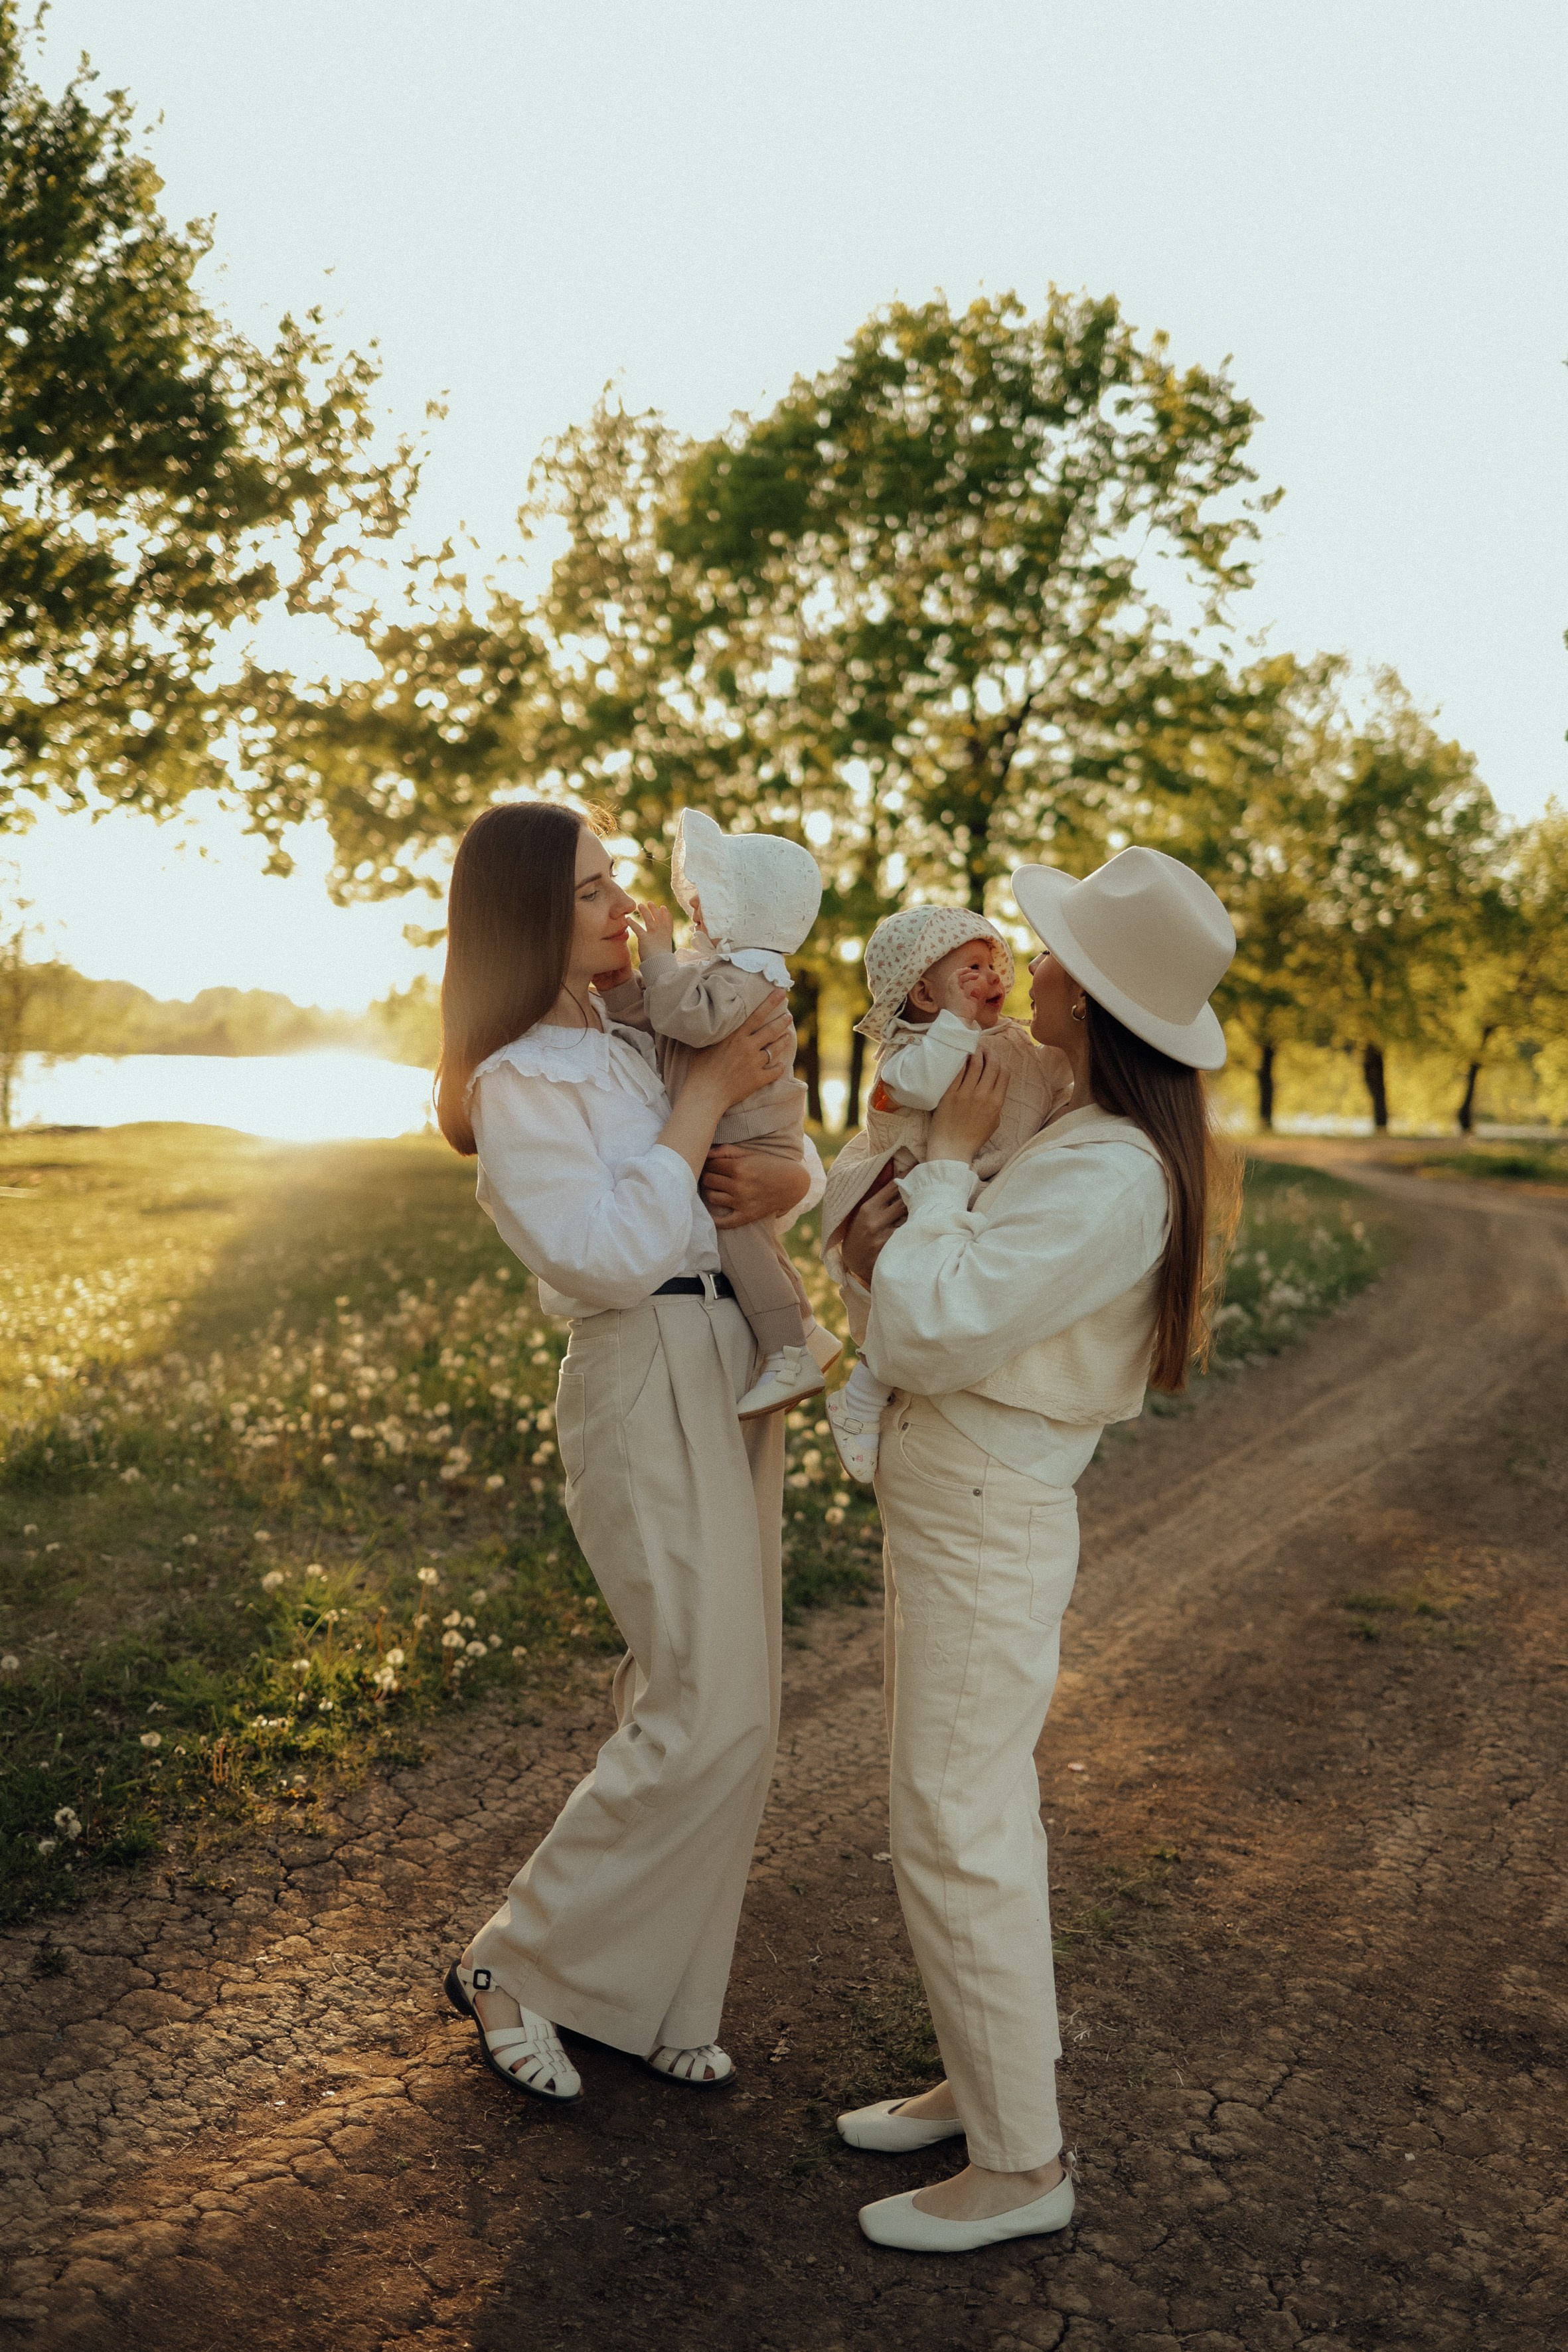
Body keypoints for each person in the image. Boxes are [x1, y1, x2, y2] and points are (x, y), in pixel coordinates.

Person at [832, 846, 1237, 2252]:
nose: (1032, 961)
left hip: (989, 1504)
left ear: (1095, 1002)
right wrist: (905, 1197)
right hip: (960, 1491)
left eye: (1057, 952)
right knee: (960, 1803)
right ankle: (981, 2072)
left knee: (955, 1820)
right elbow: (909, 1284)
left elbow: (931, 1326)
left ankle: (1020, 2162)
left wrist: (939, 1178)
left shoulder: (1111, 1176)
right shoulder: (1064, 1129)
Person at [432, 799, 823, 2100]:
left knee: (744, 1709)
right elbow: (606, 1253)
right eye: (595, 888)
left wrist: (791, 1186)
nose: (627, 908)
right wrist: (699, 1100)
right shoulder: (514, 1084)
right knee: (697, 1702)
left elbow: (765, 1138)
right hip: (638, 1365)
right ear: (529, 917)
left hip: (730, 1361)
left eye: (617, 882)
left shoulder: (638, 1030)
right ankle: (516, 1963)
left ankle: (656, 1990)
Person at [601, 806, 838, 1422]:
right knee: (751, 1236)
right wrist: (621, 985)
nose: (694, 908)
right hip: (741, 1138)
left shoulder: (751, 975)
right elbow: (658, 1022)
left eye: (712, 897)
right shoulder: (717, 969)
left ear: (754, 908)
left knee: (738, 1237)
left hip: (753, 1140)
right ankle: (807, 1331)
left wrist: (655, 958)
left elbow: (692, 1021)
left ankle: (789, 1350)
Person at [820, 907, 1074, 1482]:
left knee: (947, 1301)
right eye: (973, 969)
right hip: (917, 1192)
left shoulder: (1012, 1039)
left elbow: (1054, 1078)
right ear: (926, 996)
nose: (995, 979)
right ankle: (860, 1396)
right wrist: (957, 1024)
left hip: (980, 1185)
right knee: (907, 1293)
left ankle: (879, 1392)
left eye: (994, 964)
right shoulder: (909, 1052)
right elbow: (923, 1084)